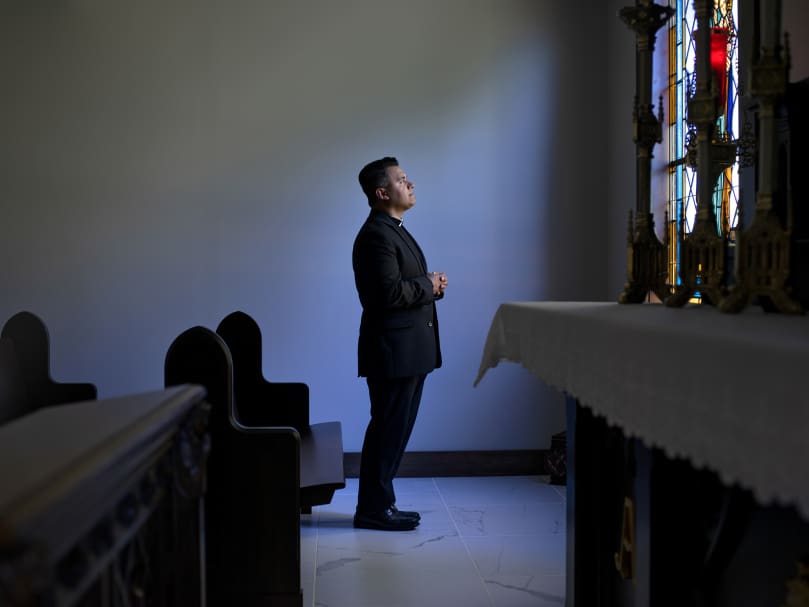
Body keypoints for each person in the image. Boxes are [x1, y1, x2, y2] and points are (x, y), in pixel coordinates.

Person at [352, 156, 447, 531]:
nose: (410, 185)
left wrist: (427, 284)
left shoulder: (395, 229)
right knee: (388, 429)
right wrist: (430, 285)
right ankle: (373, 509)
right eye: (402, 180)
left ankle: (381, 504)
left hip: (409, 350)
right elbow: (385, 294)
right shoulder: (377, 233)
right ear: (382, 192)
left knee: (395, 429)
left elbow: (401, 284)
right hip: (394, 351)